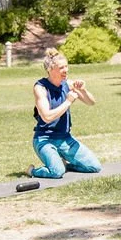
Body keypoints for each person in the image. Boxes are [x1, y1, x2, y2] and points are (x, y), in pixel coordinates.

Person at [30, 49, 101, 179]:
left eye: (67, 66)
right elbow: (47, 117)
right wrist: (68, 102)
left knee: (95, 167)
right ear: (51, 69)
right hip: (44, 140)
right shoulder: (40, 88)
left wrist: (83, 91)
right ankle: (32, 171)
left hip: (65, 138)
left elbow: (91, 102)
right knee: (56, 173)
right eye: (61, 68)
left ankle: (62, 164)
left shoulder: (67, 84)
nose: (66, 70)